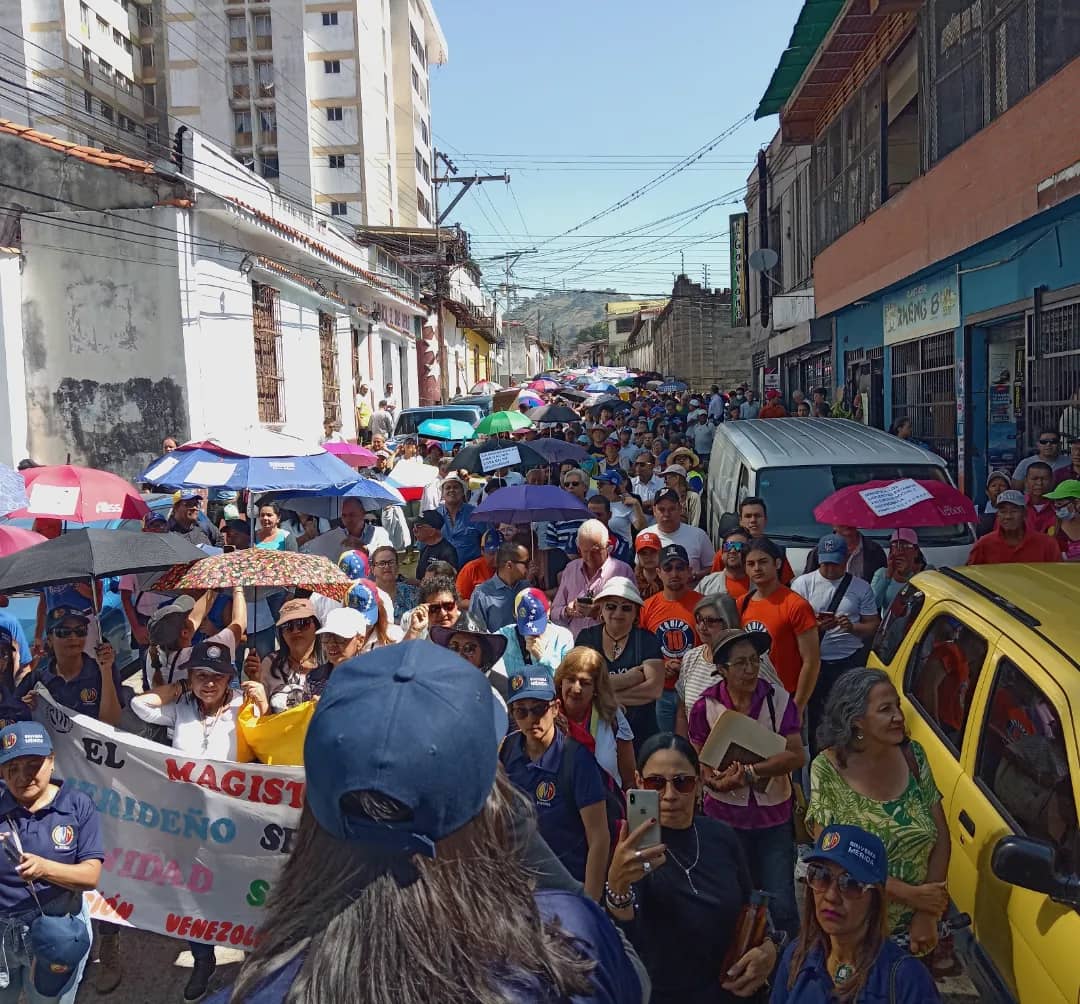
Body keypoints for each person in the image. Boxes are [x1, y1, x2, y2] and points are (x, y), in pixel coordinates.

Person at [210, 642, 643, 1004]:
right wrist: (517, 828)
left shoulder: (255, 992)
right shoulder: (565, 941)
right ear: (492, 802)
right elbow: (633, 980)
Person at [605, 733, 781, 1003]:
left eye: (682, 783)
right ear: (640, 783)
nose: (669, 795)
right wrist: (617, 889)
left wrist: (770, 948)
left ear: (698, 783)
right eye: (656, 783)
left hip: (731, 994)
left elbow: (751, 906)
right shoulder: (628, 850)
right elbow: (625, 940)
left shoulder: (720, 836)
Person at [130, 640, 251, 998]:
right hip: (188, 821)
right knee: (193, 891)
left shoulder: (243, 704)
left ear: (230, 677)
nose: (209, 683)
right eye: (200, 676)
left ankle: (250, 958)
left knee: (238, 889)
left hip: (236, 820)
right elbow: (140, 705)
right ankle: (203, 959)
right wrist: (181, 687)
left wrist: (256, 691)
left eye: (217, 676)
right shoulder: (180, 708)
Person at [807, 669, 951, 955]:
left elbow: (941, 840)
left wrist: (926, 915)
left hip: (912, 936)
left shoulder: (914, 756)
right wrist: (912, 896)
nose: (898, 716)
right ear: (856, 720)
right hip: (851, 933)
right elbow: (834, 861)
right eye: (885, 709)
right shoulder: (827, 769)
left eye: (897, 706)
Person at [687, 628, 804, 940]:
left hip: (773, 819)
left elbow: (796, 755)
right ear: (722, 670)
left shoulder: (778, 700)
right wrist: (716, 783)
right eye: (740, 664)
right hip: (724, 820)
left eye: (754, 661)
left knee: (781, 903)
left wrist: (751, 773)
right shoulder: (705, 706)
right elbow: (701, 763)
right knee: (730, 898)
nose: (750, 670)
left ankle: (786, 969)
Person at [774, 825, 941, 1004]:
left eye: (851, 883)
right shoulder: (796, 958)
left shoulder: (906, 980)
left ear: (875, 899)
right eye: (821, 875)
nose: (831, 896)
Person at [0, 721, 102, 1004]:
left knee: (48, 999)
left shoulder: (77, 805)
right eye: (12, 769)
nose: (23, 777)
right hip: (1, 932)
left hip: (54, 930)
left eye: (33, 765)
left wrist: (44, 868)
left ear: (52, 761)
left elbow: (91, 875)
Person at [501, 674, 612, 900]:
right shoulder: (507, 750)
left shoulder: (577, 760)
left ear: (555, 708)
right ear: (513, 714)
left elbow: (599, 837)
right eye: (521, 711)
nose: (532, 719)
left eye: (539, 709)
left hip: (567, 888)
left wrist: (589, 904)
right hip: (520, 888)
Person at [792, 533, 881, 755]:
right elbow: (792, 626)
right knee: (816, 717)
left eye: (836, 563)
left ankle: (847, 757)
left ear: (846, 559)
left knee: (847, 714)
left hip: (848, 661)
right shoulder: (803, 584)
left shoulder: (861, 588)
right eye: (826, 563)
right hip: (815, 661)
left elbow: (872, 625)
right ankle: (817, 758)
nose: (830, 569)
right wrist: (816, 626)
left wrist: (852, 627)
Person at [575, 578, 664, 753]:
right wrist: (630, 678)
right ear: (600, 608)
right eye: (611, 606)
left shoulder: (647, 640)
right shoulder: (586, 638)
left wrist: (604, 698)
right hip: (595, 736)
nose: (618, 613)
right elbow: (580, 684)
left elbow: (654, 689)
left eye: (626, 608)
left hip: (643, 736)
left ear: (635, 613)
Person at [738, 537, 820, 712]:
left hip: (785, 698)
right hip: (749, 697)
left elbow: (811, 661)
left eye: (763, 562)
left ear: (777, 563)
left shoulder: (796, 605)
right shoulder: (742, 603)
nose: (757, 568)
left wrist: (797, 707)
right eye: (750, 564)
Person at [17, 608, 125, 726]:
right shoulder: (35, 680)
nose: (73, 637)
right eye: (64, 632)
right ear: (49, 640)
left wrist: (106, 671)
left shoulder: (103, 670)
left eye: (80, 631)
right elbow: (12, 718)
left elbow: (111, 723)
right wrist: (25, 707)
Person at [554, 647, 636, 790]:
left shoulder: (612, 715)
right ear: (561, 681)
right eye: (571, 680)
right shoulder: (547, 718)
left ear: (596, 688)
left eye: (585, 683)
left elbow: (629, 781)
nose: (576, 689)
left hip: (609, 808)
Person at [640, 545, 701, 733]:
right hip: (661, 691)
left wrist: (687, 665)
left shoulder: (704, 604)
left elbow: (712, 647)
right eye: (668, 568)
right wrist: (659, 667)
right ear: (658, 572)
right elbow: (640, 648)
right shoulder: (647, 607)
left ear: (689, 571)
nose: (674, 573)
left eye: (680, 567)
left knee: (694, 746)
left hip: (695, 690)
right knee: (665, 744)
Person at [551, 521, 634, 636]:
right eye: (584, 552)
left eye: (595, 551)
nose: (589, 557)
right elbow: (554, 614)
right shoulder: (571, 569)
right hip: (575, 647)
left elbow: (632, 615)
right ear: (579, 549)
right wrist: (568, 611)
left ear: (608, 546)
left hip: (609, 645)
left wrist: (599, 613)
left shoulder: (623, 571)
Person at [429, 624, 512, 732]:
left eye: (469, 649)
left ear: (483, 656)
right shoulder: (431, 686)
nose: (459, 655)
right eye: (453, 648)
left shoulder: (498, 694)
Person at [497, 587, 574, 680]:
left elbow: (566, 680)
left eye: (537, 621)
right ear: (515, 615)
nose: (533, 631)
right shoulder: (504, 636)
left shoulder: (563, 637)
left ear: (548, 611)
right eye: (526, 623)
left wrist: (543, 658)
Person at [966, 489, 1061, 565]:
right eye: (1003, 511)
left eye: (1014, 511)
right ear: (997, 515)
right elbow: (971, 576)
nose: (1008, 516)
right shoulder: (984, 544)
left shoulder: (1047, 544)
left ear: (1024, 513)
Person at [301, 497, 391, 560]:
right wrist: (306, 537)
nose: (348, 519)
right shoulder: (336, 535)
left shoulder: (379, 533)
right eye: (344, 515)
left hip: (372, 585)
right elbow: (306, 550)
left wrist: (364, 548)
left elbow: (389, 557)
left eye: (352, 515)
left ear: (363, 514)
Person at [649, 490, 714, 576]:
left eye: (671, 509)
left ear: (680, 509)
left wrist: (695, 575)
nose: (667, 514)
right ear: (654, 510)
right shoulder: (646, 536)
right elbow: (639, 569)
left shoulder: (699, 536)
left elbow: (713, 568)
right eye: (661, 509)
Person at [469, 542, 531, 632]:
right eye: (526, 563)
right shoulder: (481, 594)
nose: (529, 566)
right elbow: (476, 631)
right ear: (509, 565)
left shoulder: (527, 588)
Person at [401, 575, 481, 641]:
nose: (443, 613)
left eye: (448, 606)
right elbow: (400, 658)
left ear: (457, 605)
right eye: (435, 608)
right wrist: (414, 630)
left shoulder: (472, 628)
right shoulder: (416, 626)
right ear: (425, 610)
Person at [804, 524, 887, 584]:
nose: (847, 522)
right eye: (842, 517)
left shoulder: (875, 551)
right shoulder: (820, 551)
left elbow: (882, 584)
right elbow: (807, 584)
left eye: (851, 517)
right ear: (833, 523)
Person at [737, 498, 795, 583]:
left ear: (765, 519)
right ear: (740, 521)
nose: (753, 520)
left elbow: (785, 587)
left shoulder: (778, 552)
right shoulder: (729, 550)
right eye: (748, 516)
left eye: (757, 516)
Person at [870, 529, 922, 614]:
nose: (900, 550)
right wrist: (887, 577)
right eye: (895, 545)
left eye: (906, 546)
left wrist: (908, 574)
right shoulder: (881, 573)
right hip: (890, 626)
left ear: (916, 552)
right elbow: (873, 605)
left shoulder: (923, 573)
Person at [436, 475, 483, 566]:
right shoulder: (434, 515)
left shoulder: (476, 514)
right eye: (448, 488)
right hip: (442, 571)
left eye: (456, 487)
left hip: (471, 571)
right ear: (442, 494)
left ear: (463, 492)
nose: (451, 490)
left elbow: (487, 540)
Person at [369, 545, 419, 621]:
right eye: (381, 563)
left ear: (397, 566)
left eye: (391, 562)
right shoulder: (366, 595)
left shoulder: (413, 594)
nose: (387, 566)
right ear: (373, 569)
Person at [702, 527, 753, 598]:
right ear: (722, 554)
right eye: (728, 546)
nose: (732, 551)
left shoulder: (760, 584)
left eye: (739, 546)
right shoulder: (707, 583)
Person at [455, 530, 499, 603]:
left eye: (500, 553)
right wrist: (483, 605)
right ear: (482, 551)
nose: (496, 558)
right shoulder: (471, 569)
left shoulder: (510, 568)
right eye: (492, 553)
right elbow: (459, 601)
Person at [413, 509, 460, 578]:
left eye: (418, 527)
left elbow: (449, 582)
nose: (414, 530)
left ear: (432, 531)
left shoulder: (448, 552)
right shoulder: (425, 548)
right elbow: (420, 576)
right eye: (414, 526)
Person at [1046, 479, 1080, 559]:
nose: (1056, 508)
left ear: (1077, 503)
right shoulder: (1052, 525)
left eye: (1059, 504)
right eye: (1054, 503)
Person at [1023, 461, 1056, 533]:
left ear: (1052, 481)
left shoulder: (1060, 508)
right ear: (1026, 480)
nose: (1039, 483)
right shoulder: (1016, 506)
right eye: (1034, 479)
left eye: (1044, 479)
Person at [977, 469, 1012, 538]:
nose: (997, 489)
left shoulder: (1015, 511)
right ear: (987, 491)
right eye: (993, 485)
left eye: (1002, 485)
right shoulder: (977, 510)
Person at [632, 531, 663, 601]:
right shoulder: (632, 581)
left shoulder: (668, 578)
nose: (648, 557)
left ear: (660, 553)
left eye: (653, 552)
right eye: (643, 553)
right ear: (638, 557)